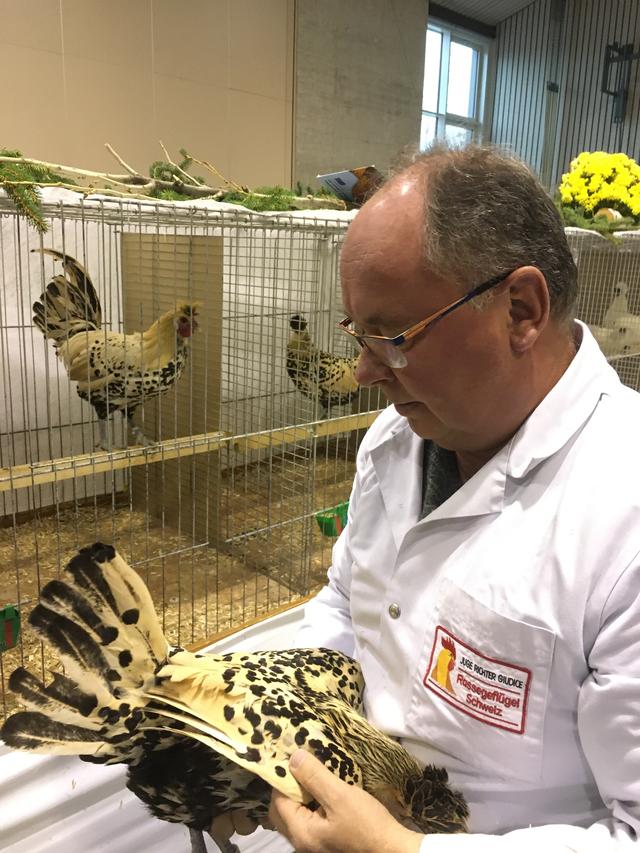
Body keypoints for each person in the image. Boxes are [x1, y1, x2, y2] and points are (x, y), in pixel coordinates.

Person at [265, 143, 640, 851]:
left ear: (522, 310)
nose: (365, 370)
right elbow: (348, 603)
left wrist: (404, 851)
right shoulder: (394, 440)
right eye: (359, 332)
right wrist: (285, 721)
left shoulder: (623, 509)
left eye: (393, 336)